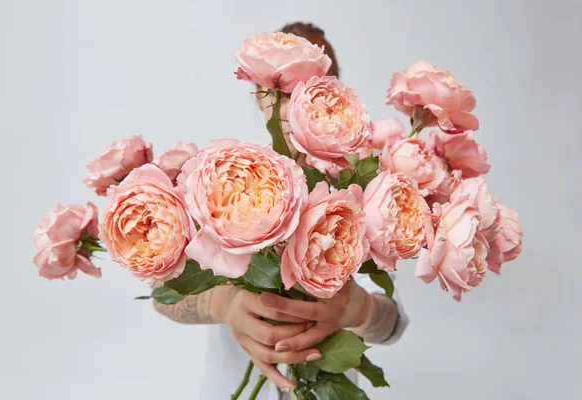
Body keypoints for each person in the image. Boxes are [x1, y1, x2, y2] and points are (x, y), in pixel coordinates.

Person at [152, 22, 408, 400]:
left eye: (311, 90)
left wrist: (358, 309)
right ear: (259, 92)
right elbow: (163, 291)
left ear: (334, 97)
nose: (297, 104)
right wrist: (224, 304)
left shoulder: (363, 193)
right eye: (284, 90)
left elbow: (394, 324)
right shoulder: (223, 179)